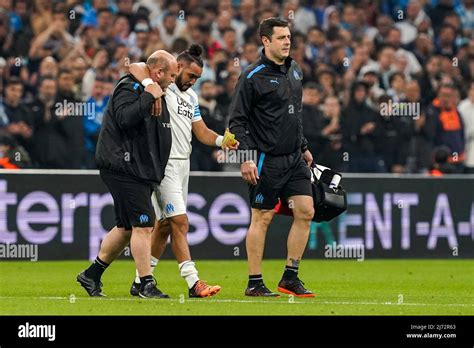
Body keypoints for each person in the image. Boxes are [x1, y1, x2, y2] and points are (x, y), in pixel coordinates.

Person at [127, 44, 239, 298]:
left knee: (165, 226)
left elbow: (200, 132)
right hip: (164, 164)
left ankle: (140, 282)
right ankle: (193, 282)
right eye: (190, 76)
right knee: (180, 221)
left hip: (183, 165)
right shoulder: (163, 87)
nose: (193, 82)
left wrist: (224, 140)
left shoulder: (191, 98)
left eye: (198, 79)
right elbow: (133, 66)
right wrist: (150, 86)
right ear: (177, 68)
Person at [76, 50, 178, 298]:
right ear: (159, 72)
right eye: (172, 75)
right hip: (123, 166)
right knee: (144, 224)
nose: (174, 80)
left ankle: (91, 275)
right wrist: (147, 95)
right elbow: (124, 119)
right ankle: (145, 283)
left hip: (139, 168)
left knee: (126, 227)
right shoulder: (128, 88)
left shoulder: (154, 90)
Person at [229, 18, 315, 298]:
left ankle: (290, 277)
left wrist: (303, 146)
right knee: (262, 217)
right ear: (265, 41)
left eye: (289, 36)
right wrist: (246, 157)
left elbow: (296, 114)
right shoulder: (252, 76)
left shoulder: (296, 71)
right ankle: (254, 282)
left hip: (294, 158)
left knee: (306, 211)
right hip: (266, 158)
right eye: (281, 37)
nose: (287, 41)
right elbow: (236, 123)